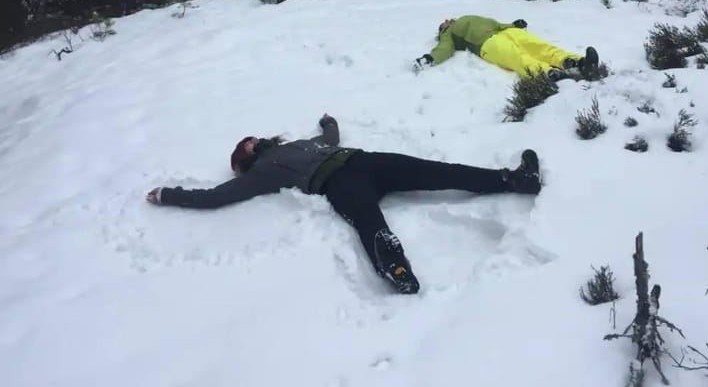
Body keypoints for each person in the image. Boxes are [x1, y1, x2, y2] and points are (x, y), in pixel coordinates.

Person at [146, 114, 542, 294]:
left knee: (437, 171)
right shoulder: (262, 171)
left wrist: (328, 124)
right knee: (368, 219)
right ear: (246, 159)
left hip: (363, 160)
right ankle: (395, 268)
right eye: (246, 145)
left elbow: (329, 143)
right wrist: (170, 195)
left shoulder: (292, 145)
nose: (252, 139)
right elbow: (218, 197)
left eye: (250, 138)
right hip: (337, 181)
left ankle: (513, 180)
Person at [413, 15, 599, 81]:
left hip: (504, 31)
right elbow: (444, 48)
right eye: (442, 24)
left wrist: (512, 24)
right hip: (487, 44)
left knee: (539, 46)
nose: (446, 21)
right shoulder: (449, 33)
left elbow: (494, 22)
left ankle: (576, 63)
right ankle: (549, 75)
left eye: (446, 21)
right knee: (517, 58)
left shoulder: (465, 18)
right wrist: (430, 58)